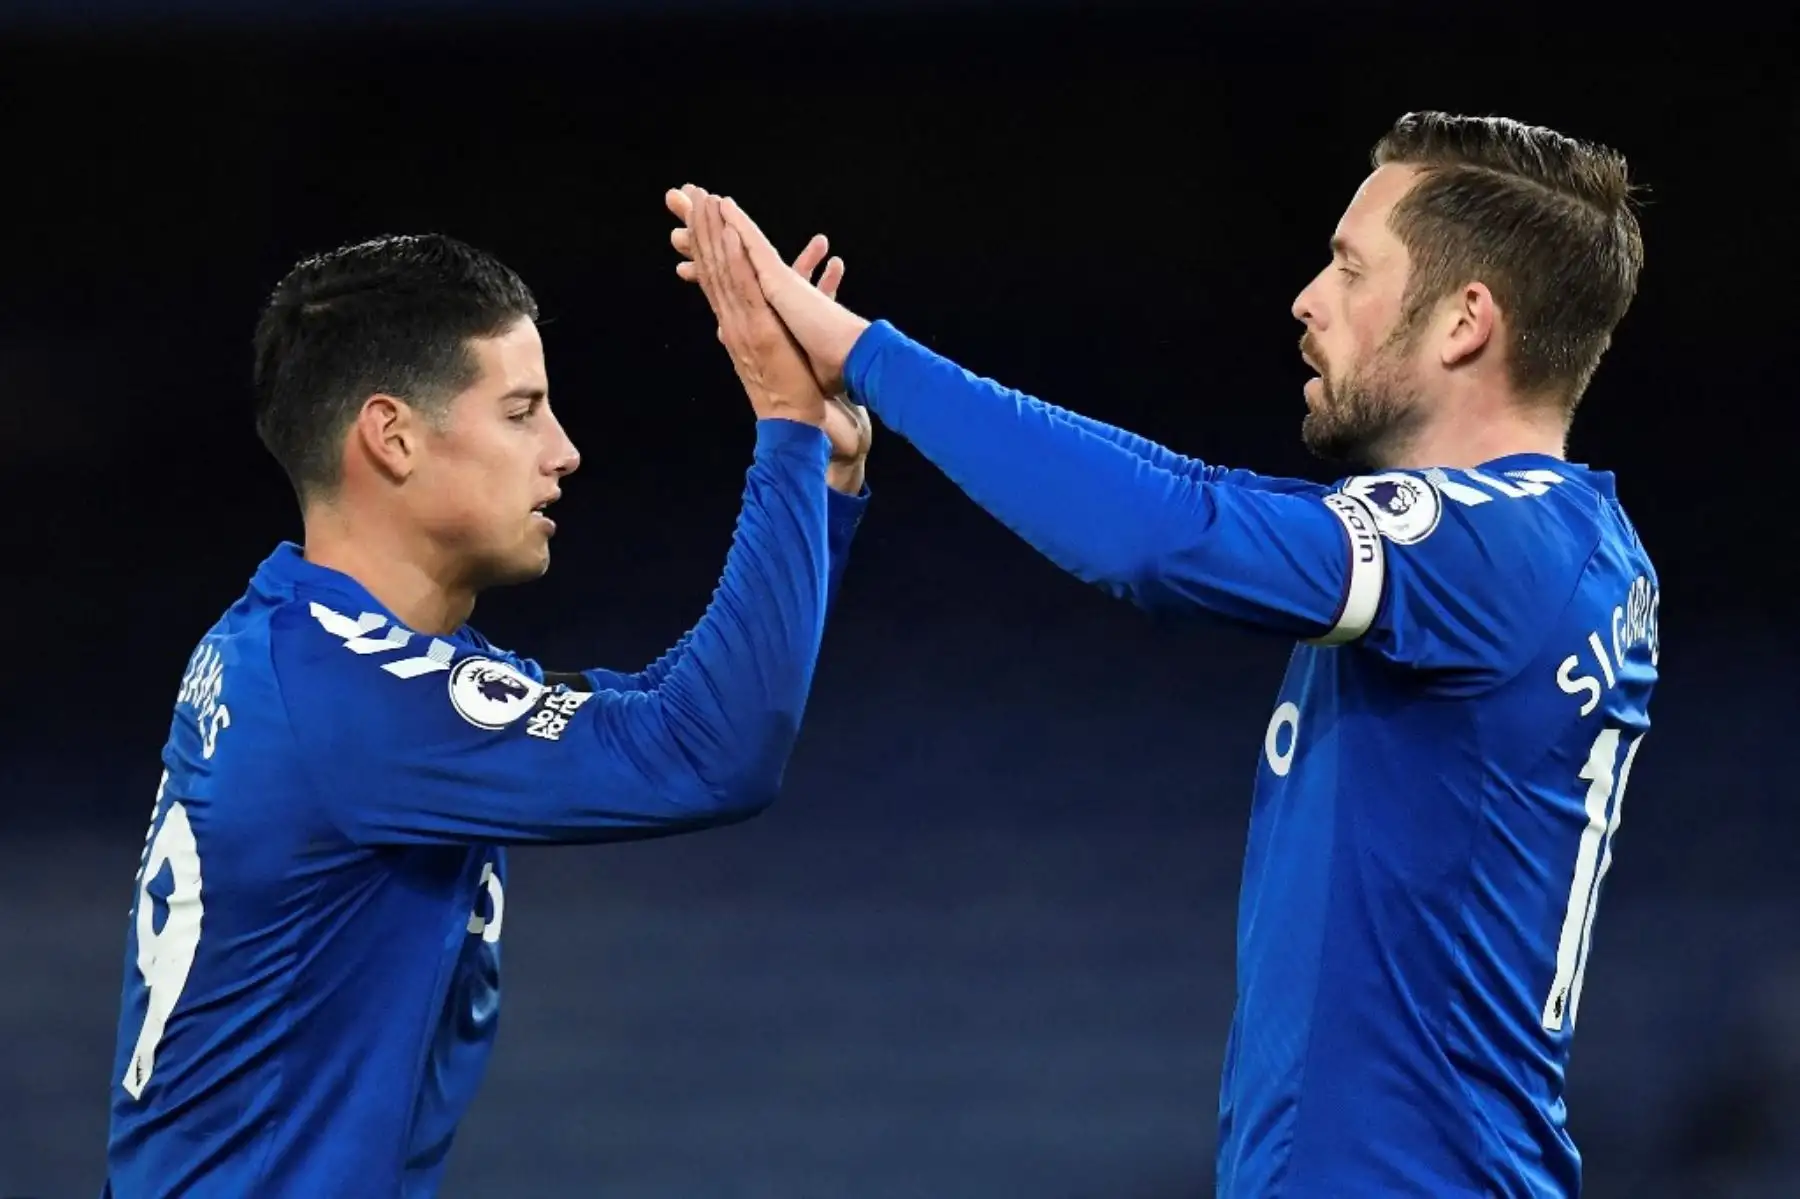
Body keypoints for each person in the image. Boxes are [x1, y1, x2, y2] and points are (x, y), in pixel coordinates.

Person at [671, 110, 1658, 1196]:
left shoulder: (1499, 544)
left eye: (1348, 266)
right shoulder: (1555, 545)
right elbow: (1195, 500)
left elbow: (1161, 536)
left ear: (1466, 320)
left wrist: (863, 350)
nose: (1308, 299)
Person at [103, 223, 870, 1198]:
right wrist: (784, 427)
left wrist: (826, 479)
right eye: (522, 412)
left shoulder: (319, 651)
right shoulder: (346, 698)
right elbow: (712, 750)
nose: (565, 451)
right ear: (393, 436)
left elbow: (668, 709)